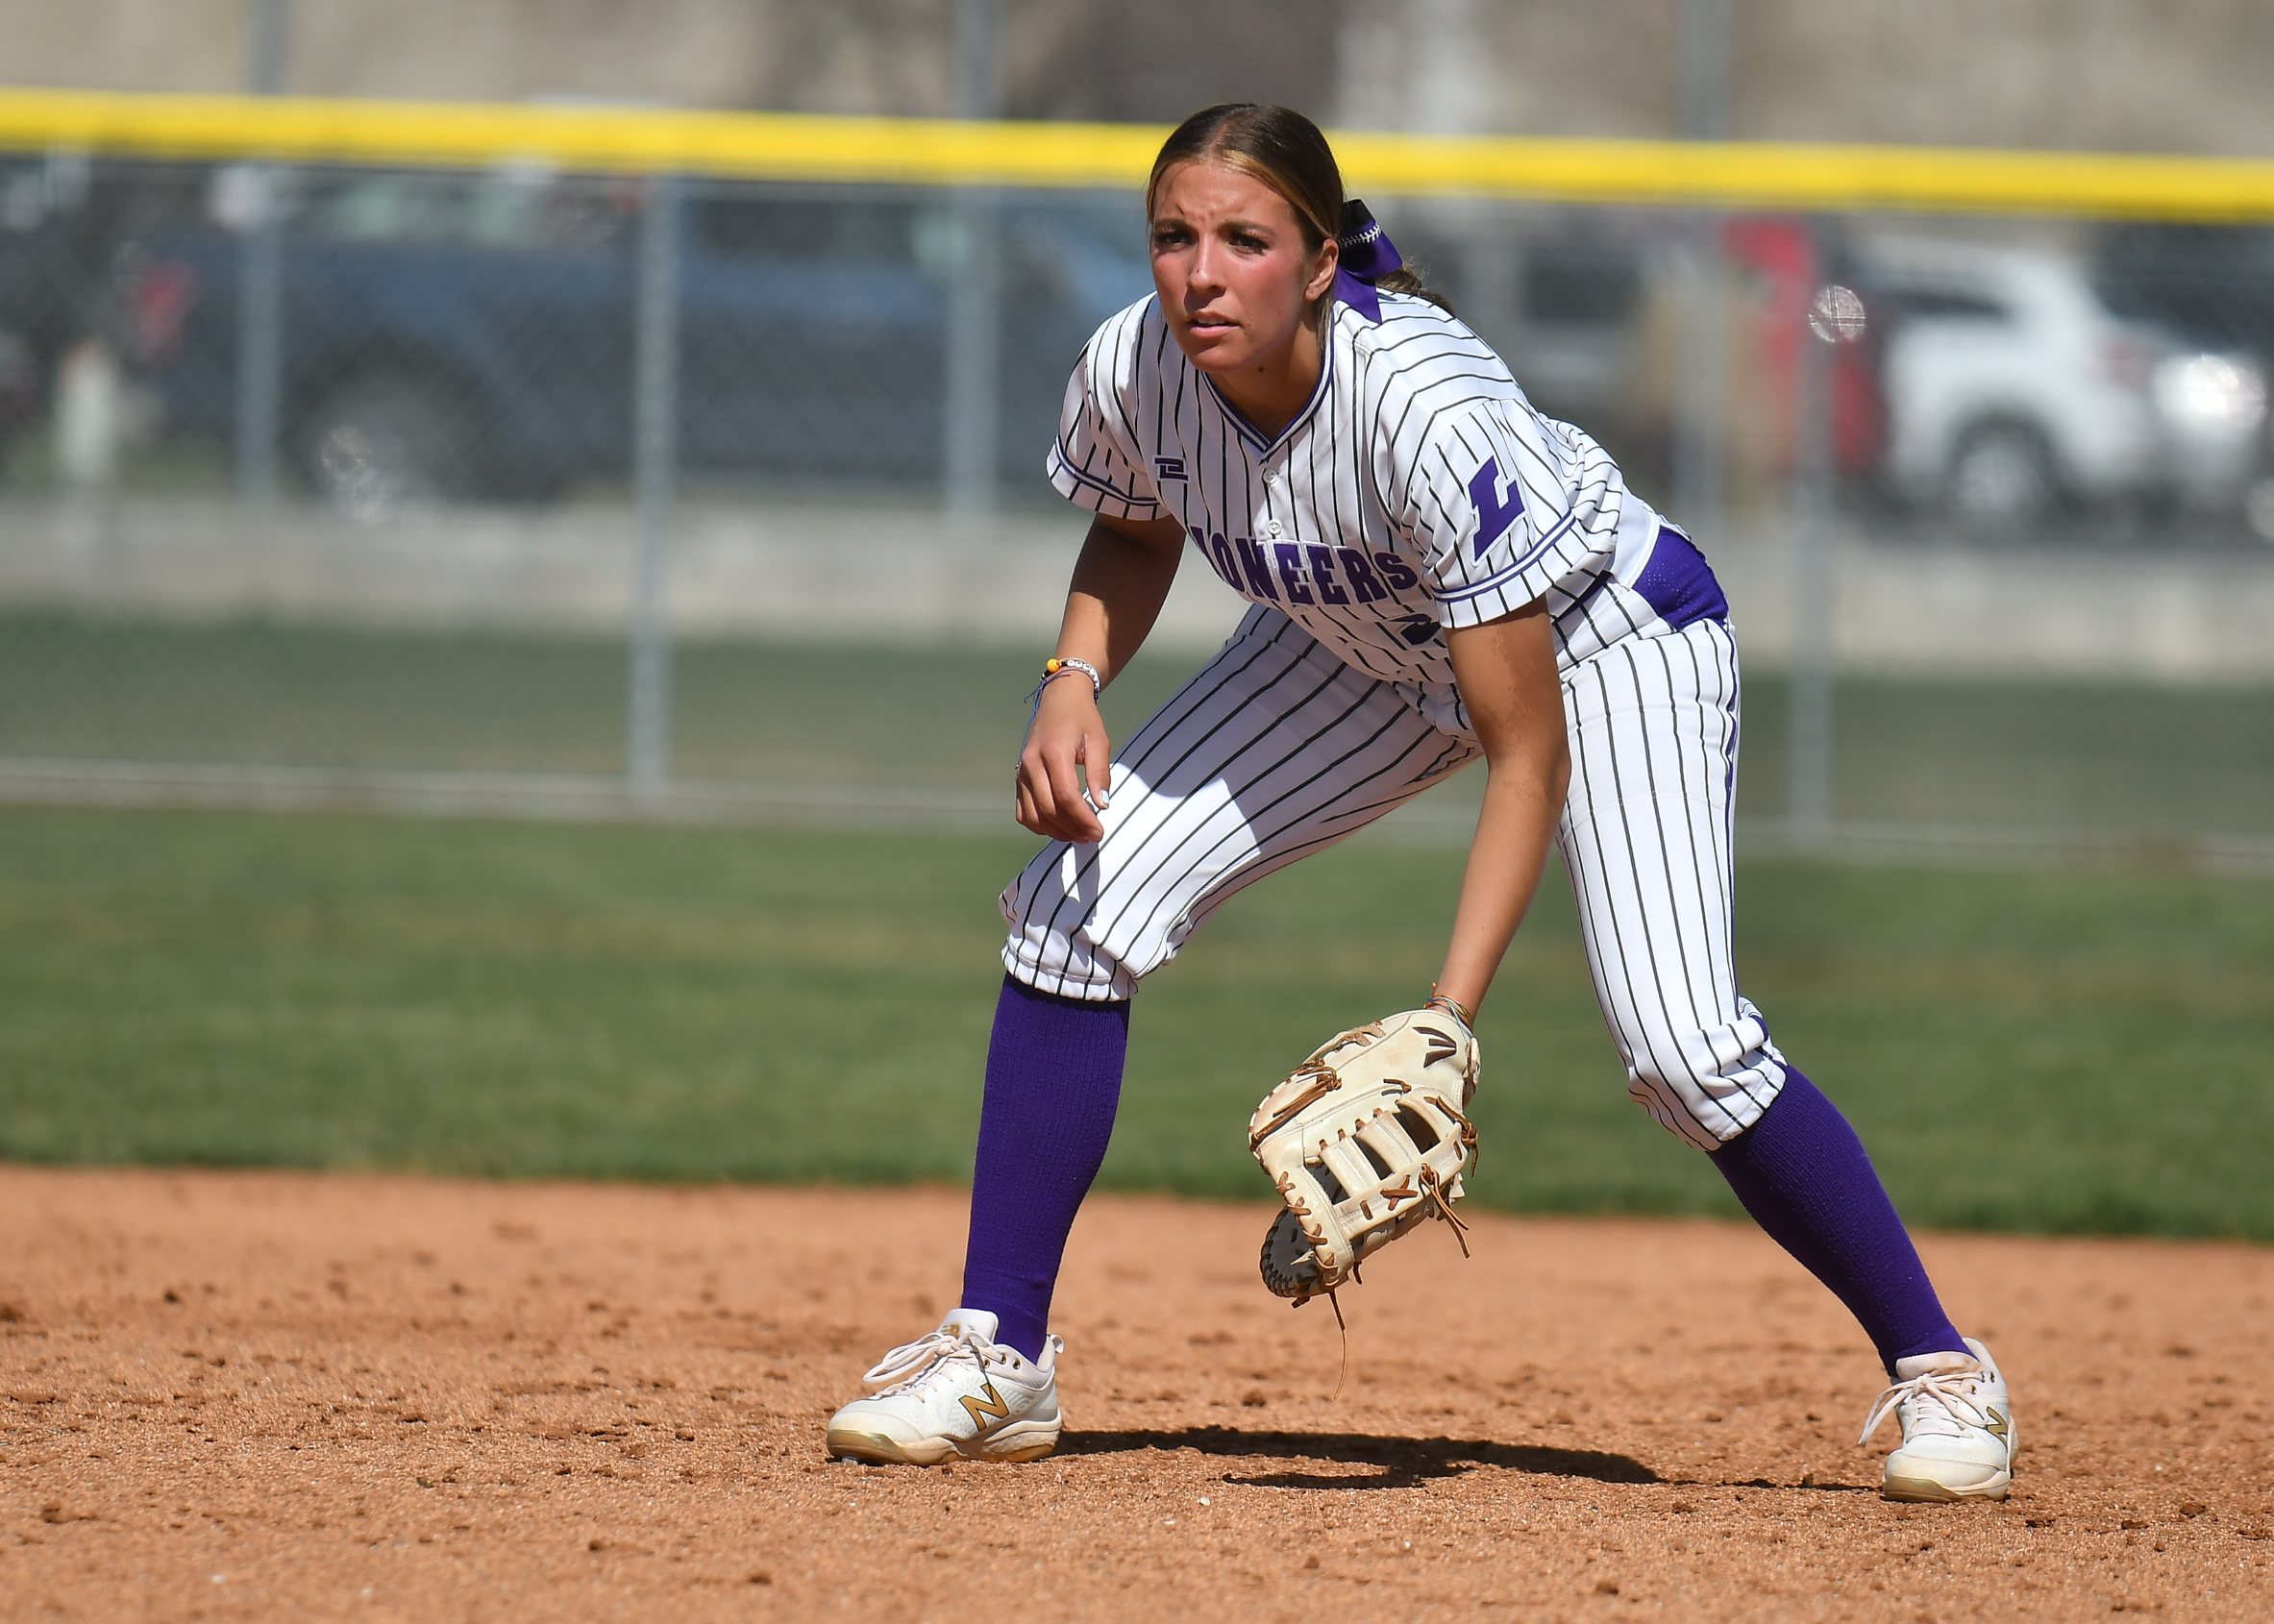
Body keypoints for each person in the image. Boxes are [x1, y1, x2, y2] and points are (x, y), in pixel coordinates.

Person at [823, 104, 2014, 1503]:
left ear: (1318, 263)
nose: (1199, 273)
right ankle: (996, 1352)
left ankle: (1942, 1372)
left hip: (1597, 639)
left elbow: (1521, 745)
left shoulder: (1424, 410)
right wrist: (1072, 675)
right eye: (1173, 236)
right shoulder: (1134, 361)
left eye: (1244, 240)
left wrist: (1446, 1015)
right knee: (1076, 901)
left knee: (1680, 1049)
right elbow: (1138, 518)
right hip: (1358, 641)